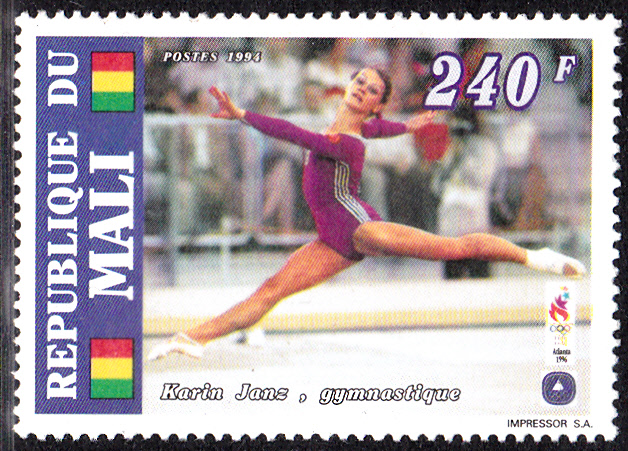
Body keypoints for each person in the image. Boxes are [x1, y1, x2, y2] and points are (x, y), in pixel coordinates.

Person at [148, 68, 586, 360]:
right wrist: (407, 125)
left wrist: (242, 114)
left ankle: (537, 257)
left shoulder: (344, 142)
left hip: (360, 229)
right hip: (332, 240)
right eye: (360, 81)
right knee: (271, 290)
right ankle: (193, 338)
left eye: (372, 90)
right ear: (349, 85)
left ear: (377, 102)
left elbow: (292, 132)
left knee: (454, 247)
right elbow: (378, 128)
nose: (361, 88)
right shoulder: (356, 128)